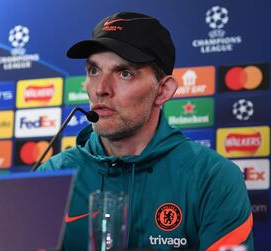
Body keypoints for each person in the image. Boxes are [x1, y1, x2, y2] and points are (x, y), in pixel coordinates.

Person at [38, 12, 253, 250]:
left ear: (162, 90)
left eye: (124, 73)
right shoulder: (52, 176)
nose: (101, 89)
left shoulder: (213, 178)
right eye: (94, 70)